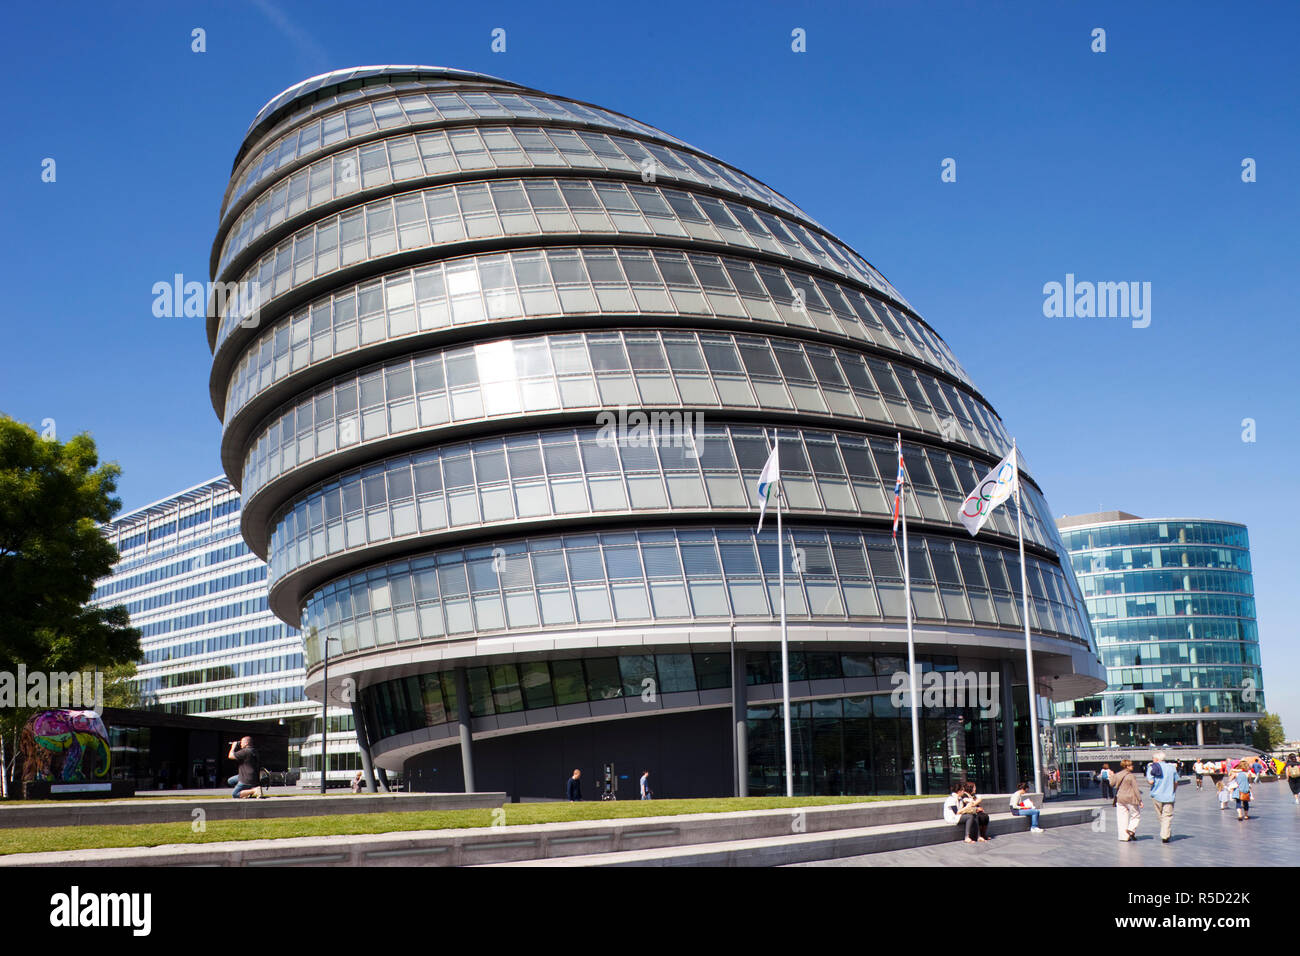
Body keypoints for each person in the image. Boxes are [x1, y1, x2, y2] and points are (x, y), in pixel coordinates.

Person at [1145, 750, 1180, 843]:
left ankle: (1165, 834)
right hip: (1169, 795)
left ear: (1156, 759)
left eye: (1153, 758)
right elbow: (1176, 782)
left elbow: (1151, 781)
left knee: (1161, 816)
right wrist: (1173, 791)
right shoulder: (1171, 767)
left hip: (1156, 795)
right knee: (1167, 816)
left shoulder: (1152, 768)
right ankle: (1165, 833)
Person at [1112, 759, 1143, 842]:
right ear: (1127, 766)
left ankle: (1123, 837)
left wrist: (1112, 776)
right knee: (1136, 815)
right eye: (1131, 765)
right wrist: (1140, 800)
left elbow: (1111, 784)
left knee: (1122, 817)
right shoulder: (1131, 776)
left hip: (1120, 799)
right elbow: (1136, 789)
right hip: (1131, 798)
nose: (1133, 766)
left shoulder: (1117, 774)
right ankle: (1131, 829)